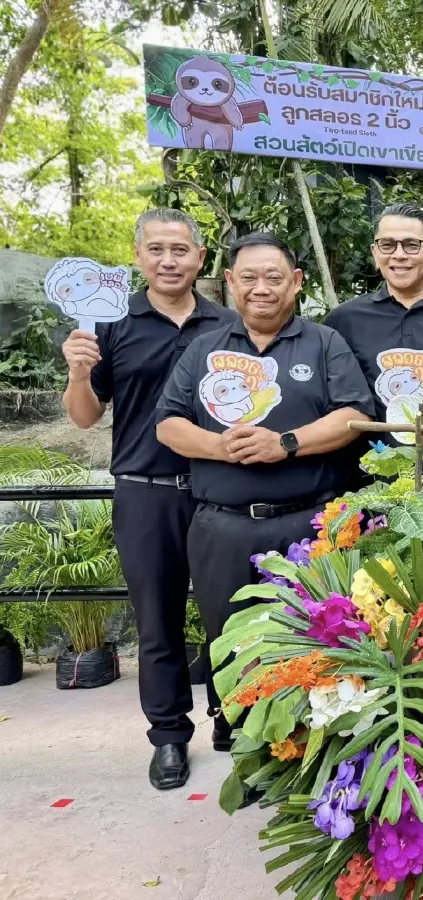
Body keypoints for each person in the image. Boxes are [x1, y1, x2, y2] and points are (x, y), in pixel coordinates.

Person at [156, 232, 373, 750]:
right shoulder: (204, 349)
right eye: (248, 278)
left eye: (273, 277)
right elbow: (167, 424)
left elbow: (355, 417)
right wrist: (219, 446)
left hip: (308, 524)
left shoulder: (324, 343)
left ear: (296, 283)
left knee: (314, 639)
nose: (261, 289)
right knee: (229, 641)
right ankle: (242, 742)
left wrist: (287, 443)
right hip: (221, 527)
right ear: (229, 283)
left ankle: (308, 748)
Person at [60, 209, 237, 791]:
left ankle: (232, 717)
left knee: (230, 616)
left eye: (180, 250)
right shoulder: (110, 325)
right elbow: (85, 419)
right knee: (157, 622)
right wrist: (79, 374)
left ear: (201, 257)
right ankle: (167, 737)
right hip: (144, 492)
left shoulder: (227, 325)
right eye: (157, 249)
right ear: (138, 257)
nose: (169, 260)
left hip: (218, 490)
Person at [324, 202, 423, 487]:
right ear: (375, 252)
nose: (399, 255)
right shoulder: (343, 321)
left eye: (411, 245)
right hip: (366, 480)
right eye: (388, 245)